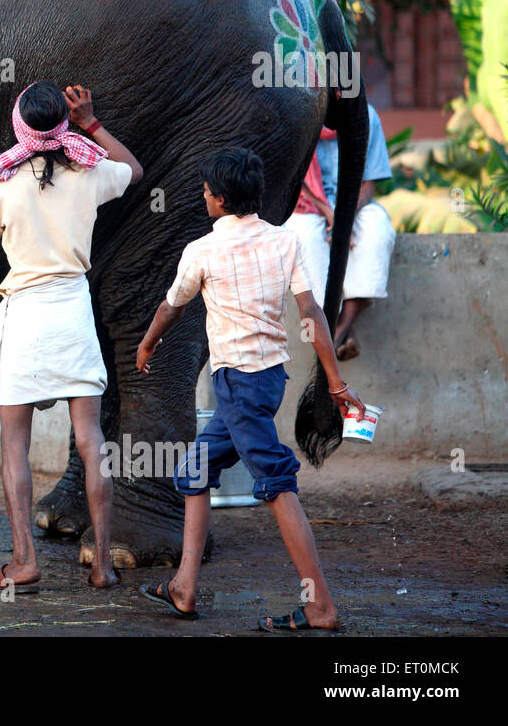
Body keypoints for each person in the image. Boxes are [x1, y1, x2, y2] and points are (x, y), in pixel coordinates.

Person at [135, 147, 366, 631]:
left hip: (237, 385)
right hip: (269, 381)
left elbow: (170, 308)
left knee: (277, 484)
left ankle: (320, 606)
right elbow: (312, 314)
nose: (203, 196)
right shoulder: (285, 242)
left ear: (218, 199)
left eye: (205, 190)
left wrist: (147, 344)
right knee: (197, 467)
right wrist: (336, 381)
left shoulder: (200, 252)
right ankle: (184, 585)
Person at [0, 80, 141, 590]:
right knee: (92, 442)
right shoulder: (88, 171)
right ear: (63, 127)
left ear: (18, 125)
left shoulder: (0, 183)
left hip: (25, 317)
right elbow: (134, 170)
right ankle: (103, 566)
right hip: (73, 313)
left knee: (14, 446)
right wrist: (91, 121)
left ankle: (25, 561)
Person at [283, 104, 395, 360]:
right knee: (306, 238)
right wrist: (328, 211)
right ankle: (343, 328)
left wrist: (347, 216)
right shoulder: (296, 113)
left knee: (377, 230)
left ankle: (337, 331)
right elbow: (291, 180)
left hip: (354, 203)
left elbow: (369, 183)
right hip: (307, 204)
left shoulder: (364, 115)